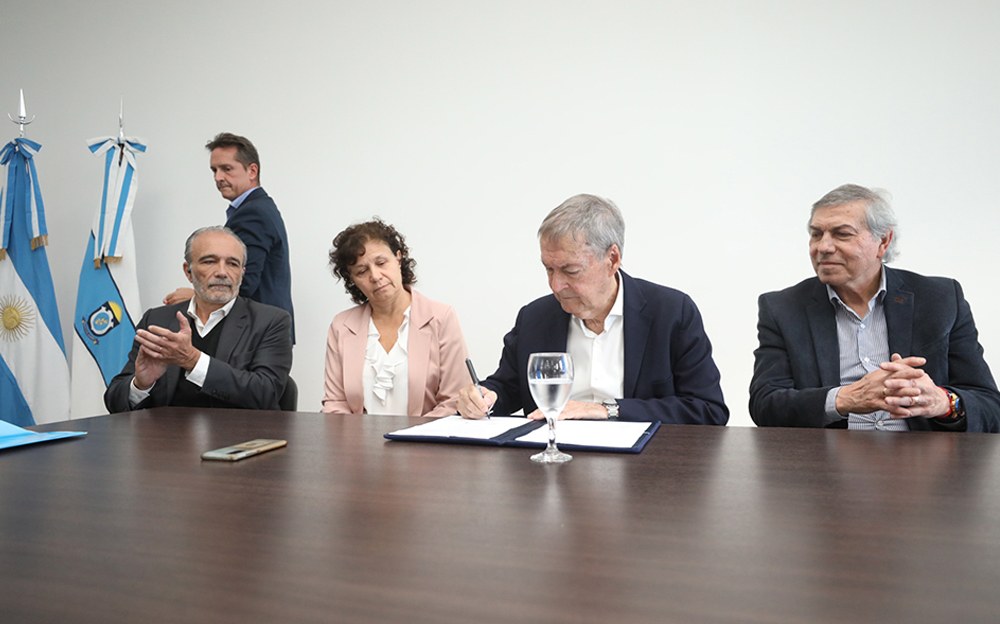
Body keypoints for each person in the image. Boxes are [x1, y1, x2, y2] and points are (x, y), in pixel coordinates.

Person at [456, 194, 728, 424]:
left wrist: (606, 410)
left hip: (644, 465)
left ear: (612, 259)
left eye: (570, 271)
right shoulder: (535, 318)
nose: (556, 285)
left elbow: (708, 410)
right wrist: (485, 397)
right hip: (553, 461)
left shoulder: (671, 313)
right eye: (548, 269)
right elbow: (507, 387)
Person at [750, 183, 1000, 432]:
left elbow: (990, 407)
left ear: (883, 241)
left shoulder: (940, 299)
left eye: (842, 234)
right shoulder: (783, 309)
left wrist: (943, 402)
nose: (823, 247)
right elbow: (765, 405)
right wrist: (844, 399)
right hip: (830, 454)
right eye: (816, 234)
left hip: (921, 452)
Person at [105, 226, 293, 412]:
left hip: (237, 431)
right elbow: (114, 402)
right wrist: (141, 384)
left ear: (242, 274)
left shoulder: (271, 321)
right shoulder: (157, 320)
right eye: (209, 261)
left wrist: (193, 361)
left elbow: (267, 394)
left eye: (232, 264)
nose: (222, 272)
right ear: (188, 271)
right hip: (167, 431)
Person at [322, 218, 469, 417]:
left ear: (398, 258)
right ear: (353, 280)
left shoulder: (441, 318)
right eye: (362, 271)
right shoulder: (342, 326)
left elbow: (453, 401)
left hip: (426, 436)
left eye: (381, 263)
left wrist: (414, 434)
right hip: (357, 437)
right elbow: (335, 404)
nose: (375, 276)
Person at [163, 132, 295, 341]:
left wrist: (195, 297)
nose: (218, 177)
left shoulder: (252, 213)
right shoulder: (256, 208)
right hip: (261, 331)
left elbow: (244, 283)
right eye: (214, 170)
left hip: (256, 334)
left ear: (252, 171)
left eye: (226, 169)